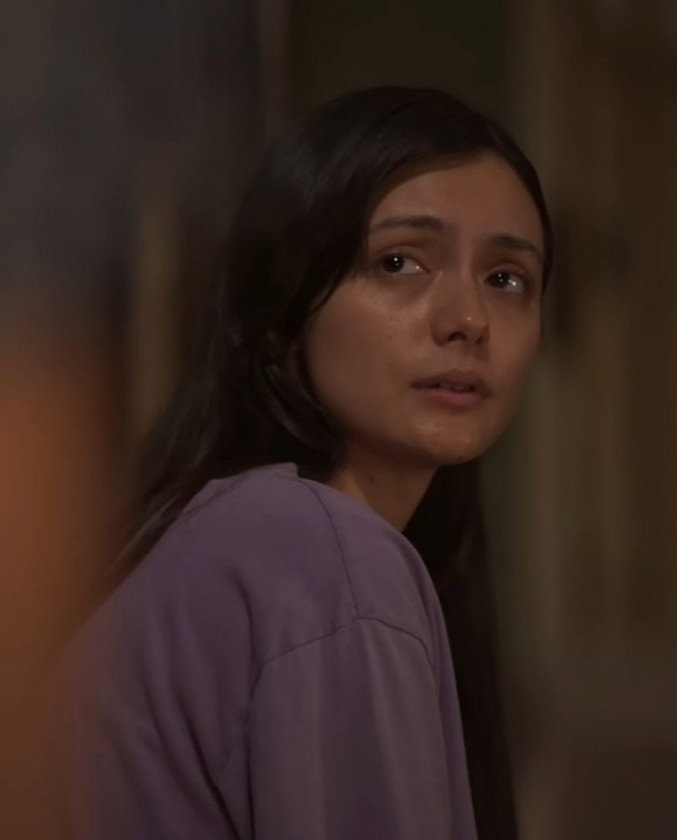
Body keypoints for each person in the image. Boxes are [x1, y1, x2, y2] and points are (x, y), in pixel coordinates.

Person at [64, 87, 551, 840]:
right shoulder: (322, 556)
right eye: (399, 262)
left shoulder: (237, 534)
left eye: (506, 278)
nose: (468, 320)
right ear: (283, 317)